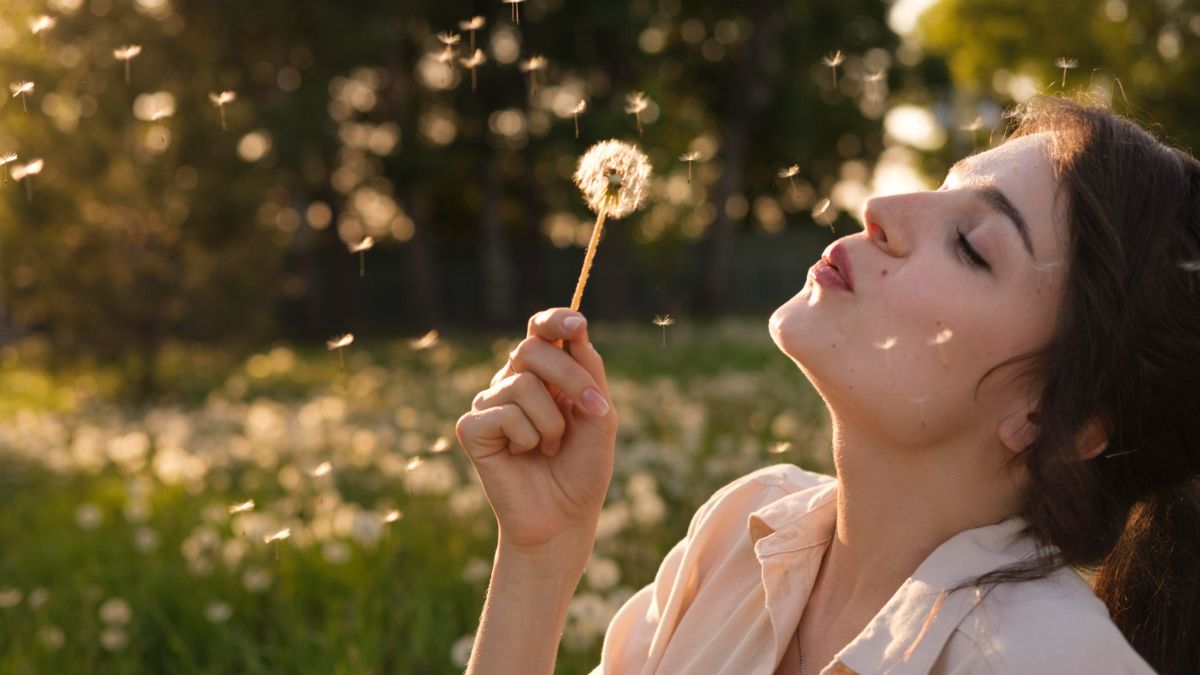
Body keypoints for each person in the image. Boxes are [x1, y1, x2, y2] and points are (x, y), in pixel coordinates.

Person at [454, 96, 1200, 674]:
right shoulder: (741, 533)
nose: (882, 209)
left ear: (1058, 419)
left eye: (971, 245)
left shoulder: (1050, 662)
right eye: (940, 187)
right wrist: (540, 554)